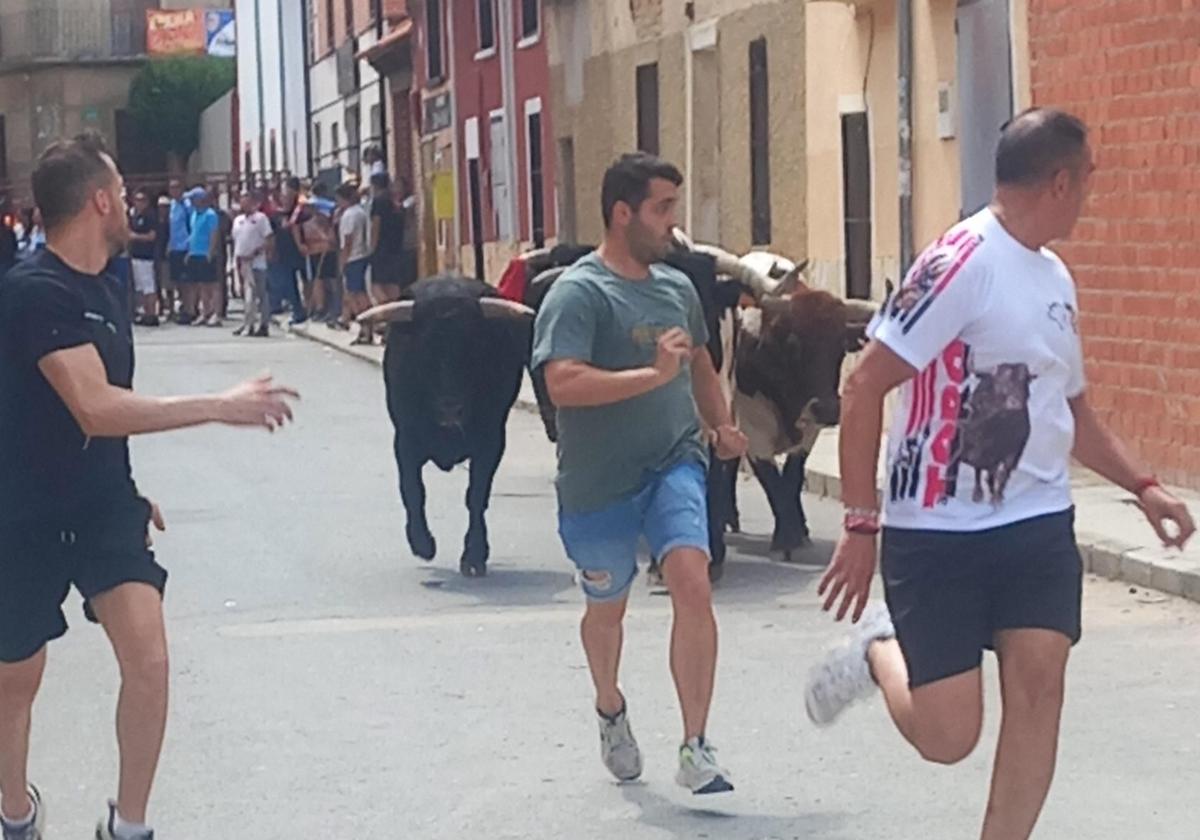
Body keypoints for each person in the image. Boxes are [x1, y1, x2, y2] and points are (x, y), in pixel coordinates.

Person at [805, 108, 1197, 840]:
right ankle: (877, 649)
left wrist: (1143, 486)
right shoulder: (959, 262)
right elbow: (863, 386)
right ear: (1059, 181)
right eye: (1086, 181)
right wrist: (862, 522)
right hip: (937, 532)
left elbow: (1071, 409)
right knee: (949, 737)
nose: (1088, 195)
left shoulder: (1054, 277)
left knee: (1040, 686)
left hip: (1035, 525)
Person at [0, 132, 298, 840]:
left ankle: (127, 827)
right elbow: (94, 407)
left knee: (150, 660)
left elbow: (106, 416)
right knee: (16, 680)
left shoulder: (107, 285)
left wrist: (126, 486)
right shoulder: (32, 290)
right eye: (119, 191)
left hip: (104, 506)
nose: (128, 203)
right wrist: (220, 406)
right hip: (22, 511)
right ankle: (14, 814)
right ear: (101, 199)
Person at [531, 153, 749, 795]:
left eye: (673, 209)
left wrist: (721, 423)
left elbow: (701, 364)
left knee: (693, 581)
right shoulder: (578, 292)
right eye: (661, 209)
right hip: (599, 483)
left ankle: (695, 745)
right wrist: (648, 376)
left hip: (673, 461)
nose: (672, 224)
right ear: (622, 213)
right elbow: (561, 383)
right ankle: (609, 706)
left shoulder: (677, 288)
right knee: (607, 608)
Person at [230, 189, 273, 338]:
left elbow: (268, 239)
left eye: (247, 199)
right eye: (242, 199)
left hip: (256, 263)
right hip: (242, 262)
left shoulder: (261, 218)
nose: (244, 202)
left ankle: (264, 324)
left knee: (259, 295)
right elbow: (237, 241)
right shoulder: (238, 220)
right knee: (245, 295)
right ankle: (247, 322)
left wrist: (255, 253)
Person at [334, 181, 373, 342]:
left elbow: (347, 241)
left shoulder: (350, 215)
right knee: (357, 293)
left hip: (353, 258)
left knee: (356, 295)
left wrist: (342, 262)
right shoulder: (360, 212)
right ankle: (365, 328)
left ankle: (366, 327)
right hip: (362, 255)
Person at [297, 182, 340, 326]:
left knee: (327, 280)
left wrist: (325, 237)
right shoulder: (308, 220)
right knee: (318, 280)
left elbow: (329, 236)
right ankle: (321, 308)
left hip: (325, 251)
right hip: (315, 252)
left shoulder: (321, 218)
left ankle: (331, 308)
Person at [266, 178, 307, 325]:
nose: (284, 196)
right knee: (288, 284)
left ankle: (308, 308)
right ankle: (297, 309)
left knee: (307, 280)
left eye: (287, 192)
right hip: (284, 253)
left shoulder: (301, 209)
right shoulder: (277, 214)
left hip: (301, 250)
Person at [184, 187, 222, 327]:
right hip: (195, 253)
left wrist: (210, 252)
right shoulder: (194, 214)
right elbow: (193, 234)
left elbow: (214, 234)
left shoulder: (210, 214)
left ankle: (216, 314)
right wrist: (189, 251)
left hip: (206, 253)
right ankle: (205, 312)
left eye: (193, 199)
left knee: (212, 285)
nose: (191, 202)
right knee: (201, 286)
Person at [368, 172, 405, 305]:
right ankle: (397, 310)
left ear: (374, 185)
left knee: (376, 286)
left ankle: (387, 310)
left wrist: (372, 248)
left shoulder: (378, 201)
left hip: (382, 248)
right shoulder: (395, 201)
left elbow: (376, 224)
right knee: (392, 283)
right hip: (396, 246)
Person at [127, 190, 158, 327]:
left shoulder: (150, 216)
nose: (139, 203)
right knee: (140, 287)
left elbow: (152, 236)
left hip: (146, 256)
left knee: (148, 286)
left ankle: (152, 313)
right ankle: (145, 313)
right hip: (136, 256)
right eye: (137, 200)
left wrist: (134, 236)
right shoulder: (134, 215)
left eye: (142, 200)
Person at [165, 180, 192, 324]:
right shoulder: (173, 205)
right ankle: (180, 307)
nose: (174, 191)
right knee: (176, 281)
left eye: (176, 187)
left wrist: (190, 246)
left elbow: (190, 225)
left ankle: (189, 309)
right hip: (174, 247)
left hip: (185, 247)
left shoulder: (187, 205)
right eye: (171, 188)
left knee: (186, 281)